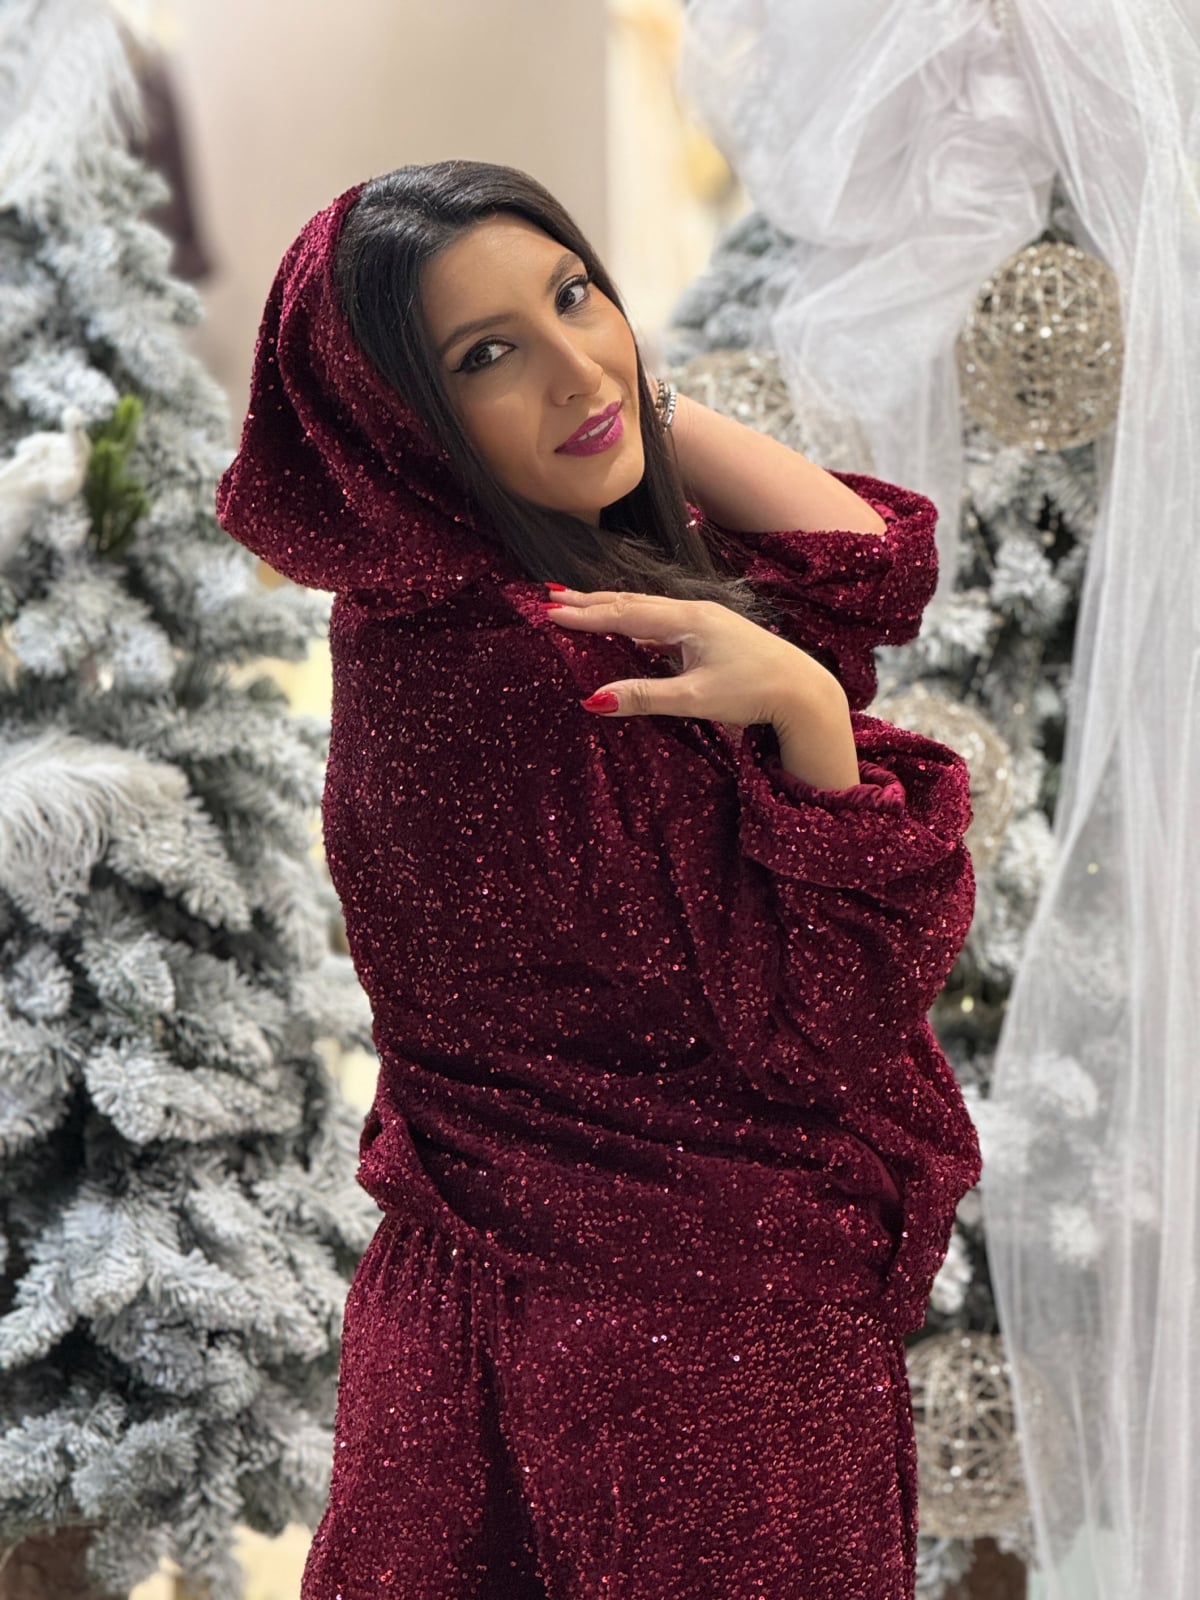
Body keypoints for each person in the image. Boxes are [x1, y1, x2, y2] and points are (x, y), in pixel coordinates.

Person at [216, 160, 982, 1600]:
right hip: (685, 1372)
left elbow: (868, 565)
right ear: (397, 421)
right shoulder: (553, 678)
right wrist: (811, 717)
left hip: (528, 1314)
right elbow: (819, 1024)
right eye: (485, 356)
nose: (571, 363)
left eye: (575, 294)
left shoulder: (439, 604)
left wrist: (617, 403)